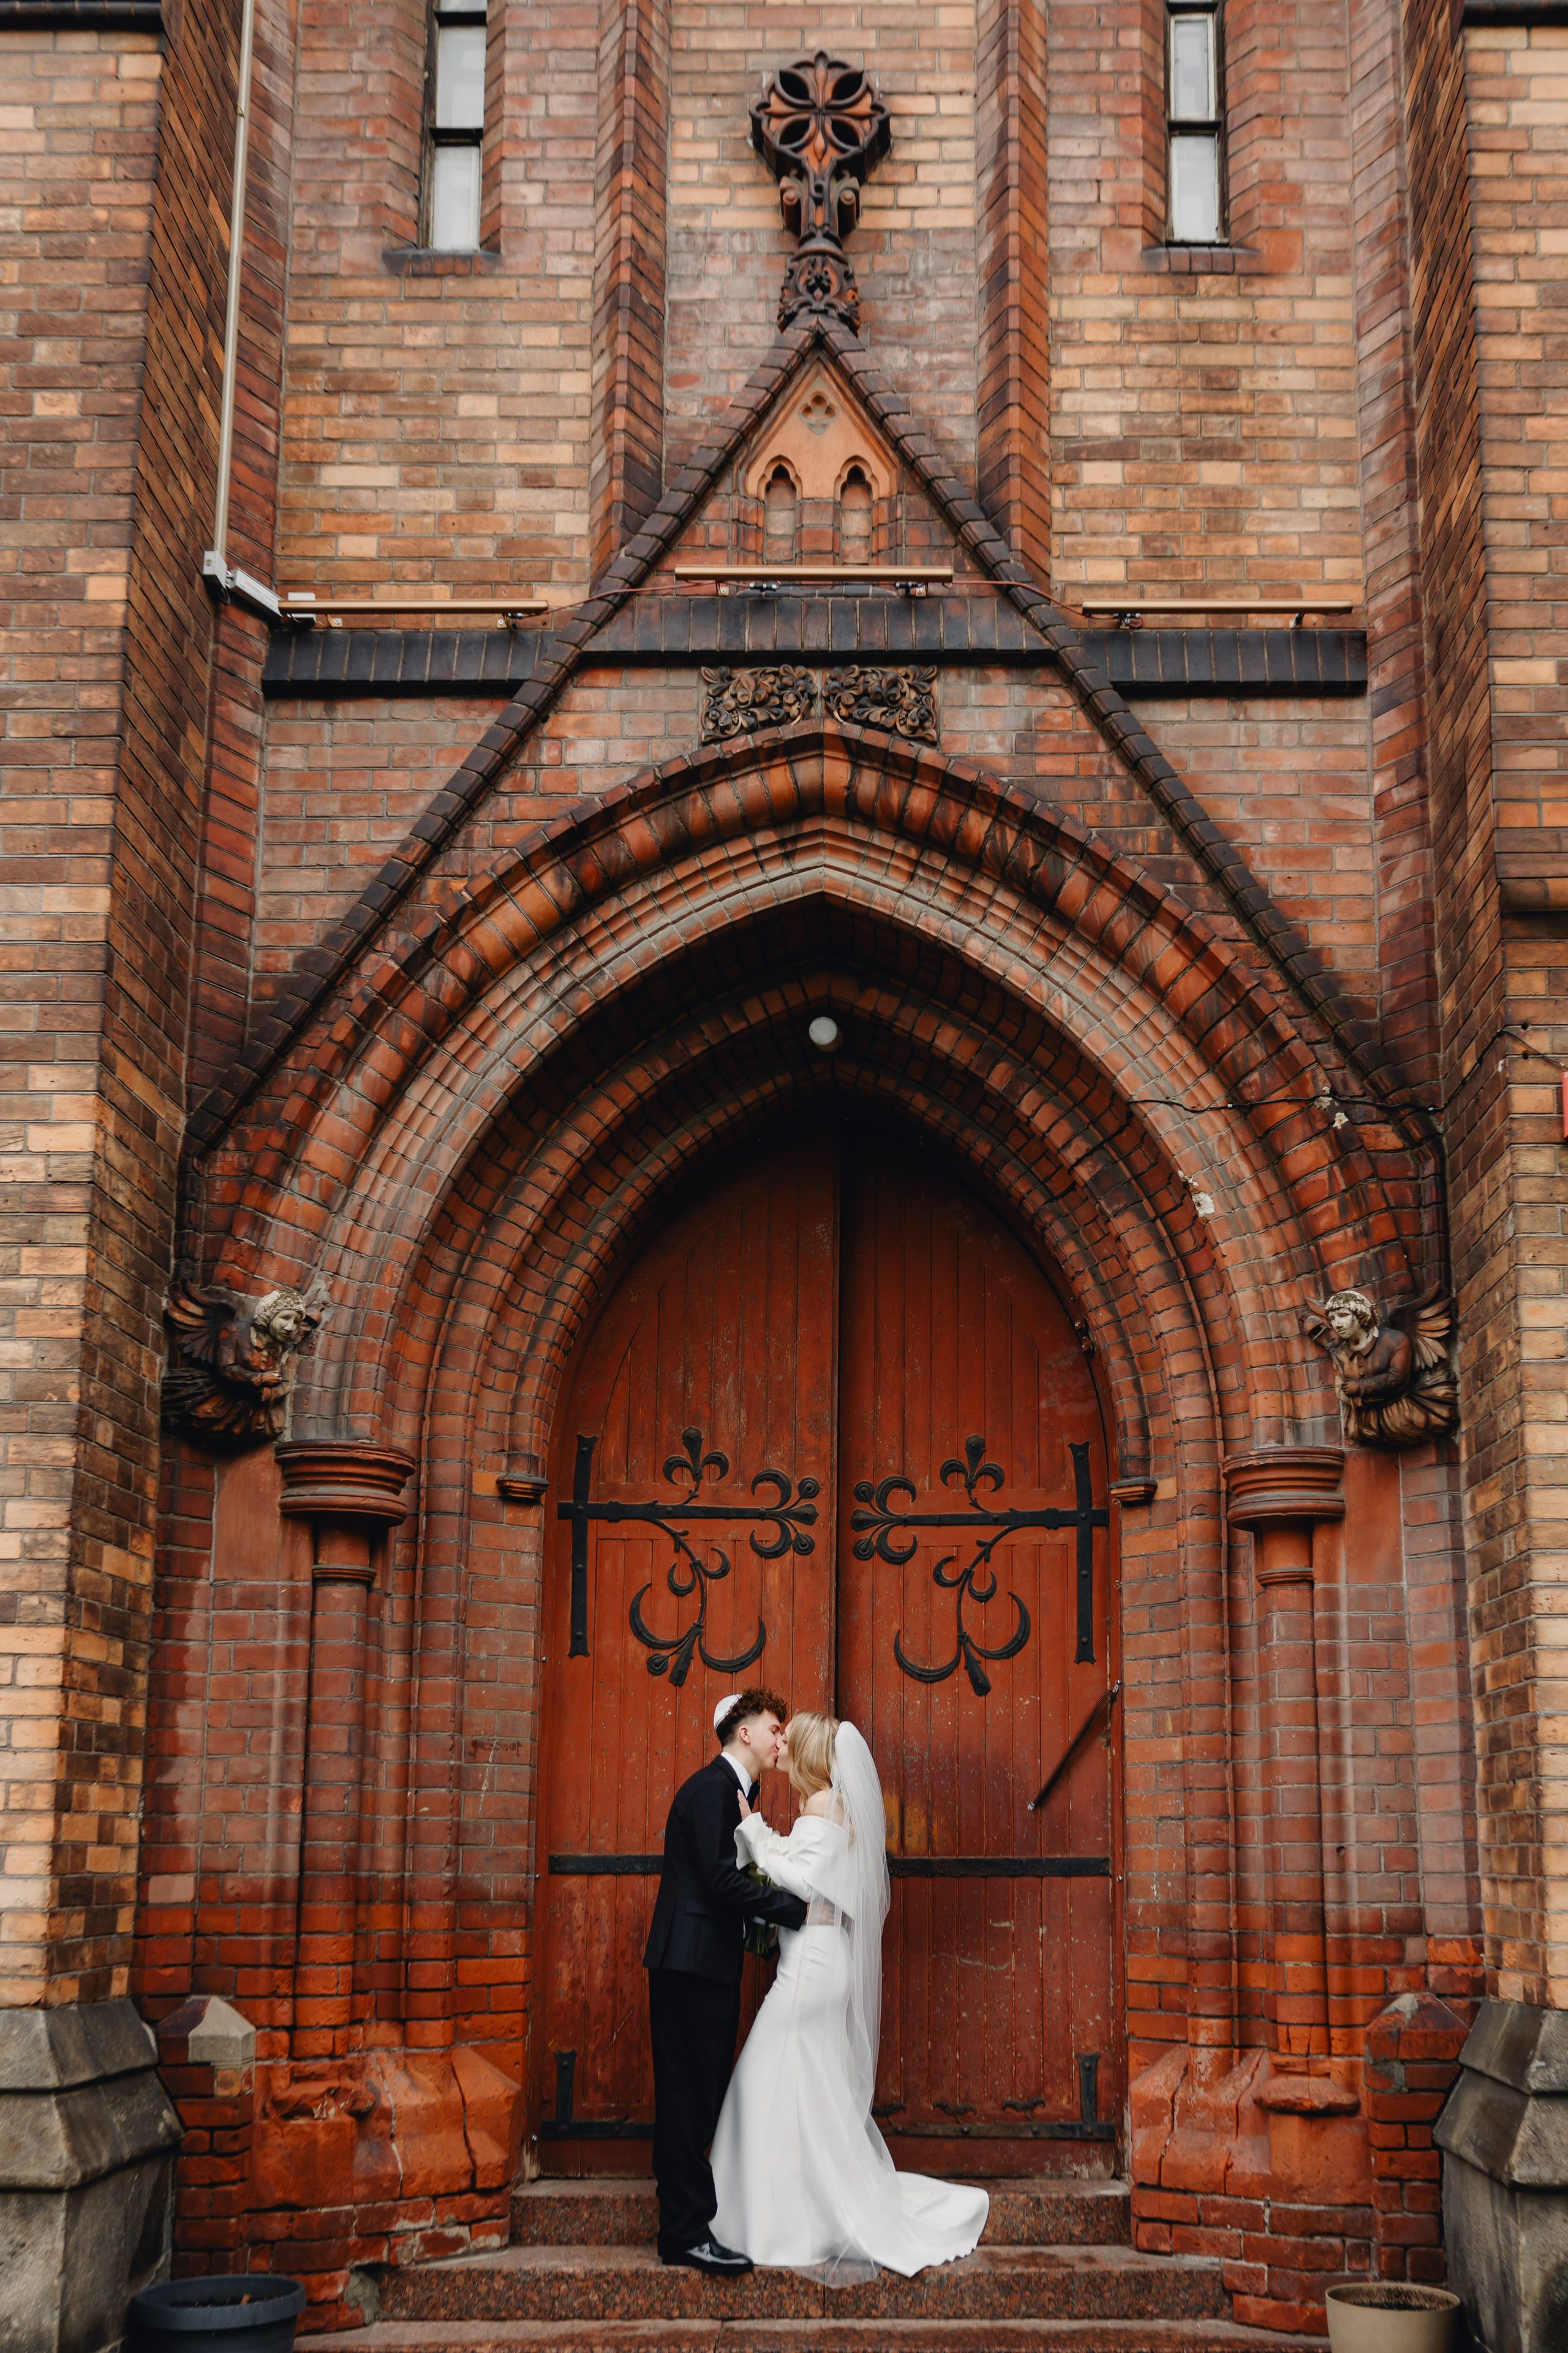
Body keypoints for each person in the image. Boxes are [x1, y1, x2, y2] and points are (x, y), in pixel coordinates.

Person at [709, 1709, 989, 2277]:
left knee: (763, 2075)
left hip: (811, 1966)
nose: (781, 1744)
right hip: (820, 1958)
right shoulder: (831, 1808)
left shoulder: (820, 1805)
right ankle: (797, 2211)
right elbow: (813, 1872)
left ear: (808, 1754)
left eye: (789, 1739)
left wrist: (755, 1833)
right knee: (808, 2084)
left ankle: (768, 2220)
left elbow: (802, 1880)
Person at [643, 1686, 809, 2275]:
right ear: (745, 1732)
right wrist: (796, 1909)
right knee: (689, 2098)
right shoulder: (713, 1789)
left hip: (703, 1964)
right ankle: (685, 2235)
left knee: (699, 2094)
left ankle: (686, 2224)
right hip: (690, 1966)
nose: (781, 1739)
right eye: (775, 1729)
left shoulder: (732, 1792)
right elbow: (717, 1881)